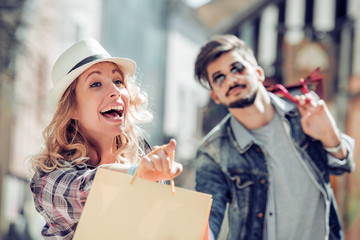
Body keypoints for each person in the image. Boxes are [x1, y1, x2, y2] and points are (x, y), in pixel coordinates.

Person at [194, 34, 355, 240]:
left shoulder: (303, 113)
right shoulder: (212, 151)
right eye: (219, 77)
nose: (231, 79)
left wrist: (329, 135)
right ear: (215, 95)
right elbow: (208, 219)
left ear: (259, 73)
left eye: (237, 68)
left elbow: (344, 165)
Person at [29, 38, 183, 239]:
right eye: (95, 84)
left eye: (118, 81)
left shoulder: (141, 152)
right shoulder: (49, 177)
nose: (115, 91)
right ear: (72, 107)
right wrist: (138, 174)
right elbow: (85, 190)